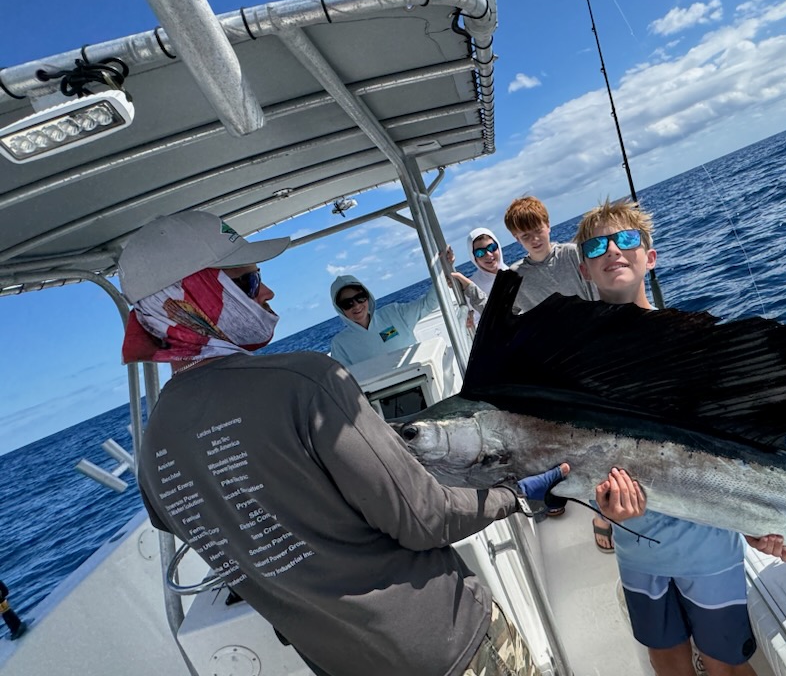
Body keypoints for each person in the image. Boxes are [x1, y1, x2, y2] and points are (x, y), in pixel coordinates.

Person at [118, 210, 570, 676]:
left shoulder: (152, 454)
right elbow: (426, 518)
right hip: (448, 642)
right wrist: (513, 495)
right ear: (186, 301)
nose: (268, 292)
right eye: (250, 281)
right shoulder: (305, 380)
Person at [574, 200, 786, 676]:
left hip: (708, 549)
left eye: (627, 239)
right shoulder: (578, 363)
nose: (613, 249)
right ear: (586, 269)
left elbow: (740, 444)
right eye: (597, 245)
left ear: (650, 257)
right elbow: (578, 455)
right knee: (666, 661)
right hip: (636, 551)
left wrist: (755, 520)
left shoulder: (695, 345)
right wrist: (603, 508)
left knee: (726, 665)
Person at [503, 196, 597, 313]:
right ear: (517, 238)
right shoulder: (515, 276)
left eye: (538, 230)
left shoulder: (573, 253)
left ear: (548, 225)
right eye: (525, 236)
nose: (535, 239)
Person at [329, 273, 440, 366]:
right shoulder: (340, 344)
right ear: (340, 309)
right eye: (347, 303)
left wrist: (442, 272)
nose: (356, 306)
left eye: (360, 298)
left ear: (367, 296)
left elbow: (428, 303)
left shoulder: (394, 313)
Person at [449, 226, 508, 327]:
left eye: (492, 247)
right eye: (480, 253)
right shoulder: (469, 286)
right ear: (474, 258)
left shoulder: (516, 274)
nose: (489, 255)